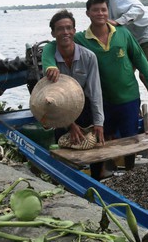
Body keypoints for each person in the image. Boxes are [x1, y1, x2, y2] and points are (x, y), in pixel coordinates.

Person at [41, 0, 148, 143]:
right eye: (96, 10)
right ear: (88, 13)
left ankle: (130, 166)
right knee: (106, 140)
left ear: (108, 12)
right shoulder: (81, 38)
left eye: (104, 9)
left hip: (129, 97)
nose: (100, 13)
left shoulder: (123, 32)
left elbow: (139, 57)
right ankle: (109, 166)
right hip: (104, 101)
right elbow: (52, 45)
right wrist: (50, 64)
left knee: (131, 140)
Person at [44, 10, 106, 177]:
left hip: (83, 106)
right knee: (65, 149)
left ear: (74, 30)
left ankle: (97, 179)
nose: (65, 32)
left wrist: (99, 122)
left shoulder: (89, 57)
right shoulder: (50, 62)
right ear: (53, 33)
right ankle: (67, 181)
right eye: (60, 29)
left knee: (95, 149)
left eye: (69, 28)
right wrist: (69, 124)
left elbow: (95, 92)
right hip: (59, 110)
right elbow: (52, 98)